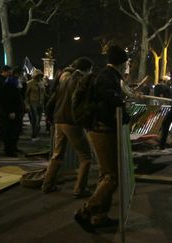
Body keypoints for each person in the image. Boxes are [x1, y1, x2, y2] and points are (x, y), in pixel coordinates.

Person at [74, 45, 128, 229]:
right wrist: (123, 108)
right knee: (112, 176)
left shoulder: (103, 74)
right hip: (102, 130)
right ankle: (86, 211)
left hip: (99, 128)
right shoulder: (107, 77)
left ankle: (100, 217)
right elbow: (109, 102)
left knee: (106, 174)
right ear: (123, 62)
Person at [42, 57, 94, 198]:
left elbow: (53, 98)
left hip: (59, 120)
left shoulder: (62, 77)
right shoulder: (77, 80)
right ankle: (80, 189)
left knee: (57, 154)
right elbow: (76, 100)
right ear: (86, 69)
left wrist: (50, 116)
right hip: (71, 121)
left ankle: (47, 184)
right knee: (86, 156)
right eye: (90, 70)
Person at [0, 67, 25, 157]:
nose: (22, 76)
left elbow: (20, 96)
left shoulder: (15, 82)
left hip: (17, 110)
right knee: (10, 132)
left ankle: (13, 148)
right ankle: (9, 150)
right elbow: (8, 98)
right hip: (12, 111)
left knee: (15, 131)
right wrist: (10, 111)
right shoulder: (10, 82)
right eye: (21, 74)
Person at [25, 69, 45, 141]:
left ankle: (36, 133)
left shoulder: (42, 83)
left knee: (38, 120)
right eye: (38, 75)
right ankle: (34, 135)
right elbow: (26, 95)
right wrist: (27, 104)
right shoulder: (29, 83)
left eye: (40, 75)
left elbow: (43, 93)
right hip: (33, 103)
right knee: (34, 120)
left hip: (40, 103)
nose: (39, 77)